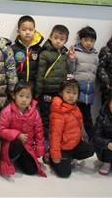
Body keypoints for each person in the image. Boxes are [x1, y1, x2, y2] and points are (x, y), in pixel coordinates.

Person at [35, 25, 76, 159]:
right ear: (51, 37)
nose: (58, 41)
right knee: (46, 119)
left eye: (62, 39)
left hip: (60, 94)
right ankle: (46, 146)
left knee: (58, 121)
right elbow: (40, 74)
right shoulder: (44, 53)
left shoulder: (65, 54)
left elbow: (71, 72)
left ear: (66, 41)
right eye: (56, 37)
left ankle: (56, 146)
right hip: (46, 92)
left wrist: (71, 60)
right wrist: (37, 93)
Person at [0, 81, 47, 177]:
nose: (24, 100)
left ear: (31, 98)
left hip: (27, 146)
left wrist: (40, 149)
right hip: (10, 145)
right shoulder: (7, 111)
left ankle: (20, 159)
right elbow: (1, 130)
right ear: (14, 96)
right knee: (17, 144)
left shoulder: (35, 113)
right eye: (21, 96)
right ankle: (11, 158)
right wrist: (17, 135)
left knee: (31, 171)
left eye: (27, 97)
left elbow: (39, 132)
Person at [49, 79, 95, 178]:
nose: (71, 96)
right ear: (61, 93)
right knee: (65, 173)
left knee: (90, 149)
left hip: (74, 144)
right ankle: (50, 157)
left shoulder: (75, 107)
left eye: (74, 93)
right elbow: (55, 135)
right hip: (63, 148)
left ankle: (70, 158)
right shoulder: (58, 112)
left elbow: (78, 127)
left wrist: (80, 139)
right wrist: (55, 155)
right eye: (68, 92)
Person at [68, 26, 99, 141]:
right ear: (80, 39)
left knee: (87, 118)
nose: (88, 43)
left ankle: (92, 139)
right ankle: (74, 139)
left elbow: (95, 73)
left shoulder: (95, 55)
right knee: (73, 118)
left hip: (88, 92)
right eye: (86, 40)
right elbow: (70, 70)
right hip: (76, 91)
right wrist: (71, 59)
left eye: (91, 40)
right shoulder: (75, 52)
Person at [10, 15, 44, 89]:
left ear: (34, 31)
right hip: (18, 87)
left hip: (33, 87)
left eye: (30, 30)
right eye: (24, 29)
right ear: (18, 31)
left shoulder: (39, 49)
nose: (27, 32)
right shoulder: (13, 49)